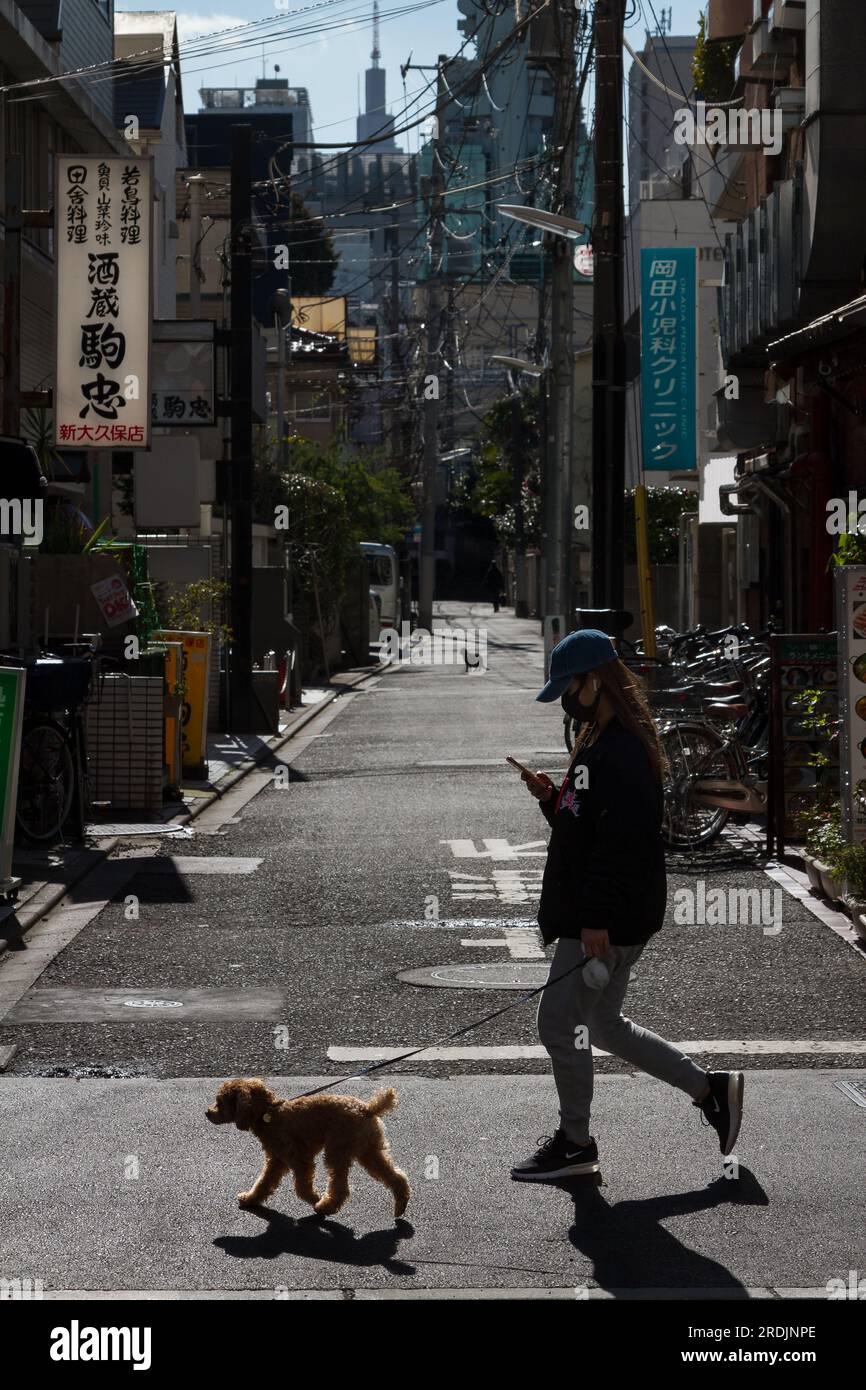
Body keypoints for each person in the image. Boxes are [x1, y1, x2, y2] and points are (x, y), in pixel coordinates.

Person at [511, 628, 744, 1182]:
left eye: (570, 687)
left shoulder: (620, 751)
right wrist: (552, 799)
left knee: (558, 1024)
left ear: (595, 680)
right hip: (615, 913)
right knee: (605, 1025)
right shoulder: (604, 739)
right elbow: (590, 828)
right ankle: (709, 1089)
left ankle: (575, 1143)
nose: (566, 699)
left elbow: (621, 846)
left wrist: (595, 919)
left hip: (604, 919)